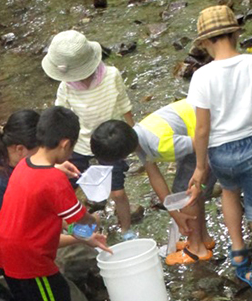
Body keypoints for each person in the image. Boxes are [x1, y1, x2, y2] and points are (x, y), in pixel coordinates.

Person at [186, 5, 252, 295]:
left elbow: (201, 129)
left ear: (205, 42)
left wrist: (200, 166)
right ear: (235, 33)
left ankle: (237, 249)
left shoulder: (201, 77)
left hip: (220, 152)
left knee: (229, 191)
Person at [0, 106, 112, 301]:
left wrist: (58, 167)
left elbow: (43, 182)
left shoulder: (26, 164)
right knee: (54, 300)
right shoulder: (54, 183)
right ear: (66, 144)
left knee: (53, 291)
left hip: (9, 245)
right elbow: (79, 220)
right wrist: (94, 223)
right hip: (27, 255)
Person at [0, 110, 95, 301]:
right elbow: (29, 240)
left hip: (31, 235)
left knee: (86, 249)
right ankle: (15, 291)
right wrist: (80, 235)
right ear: (20, 149)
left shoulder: (19, 166)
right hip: (13, 255)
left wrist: (53, 167)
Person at [90, 101, 217, 265]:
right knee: (186, 190)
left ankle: (196, 248)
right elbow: (154, 175)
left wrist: (201, 179)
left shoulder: (161, 145)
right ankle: (203, 239)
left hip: (213, 134)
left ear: (122, 156)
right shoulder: (137, 136)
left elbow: (205, 143)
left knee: (185, 191)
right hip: (196, 132)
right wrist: (174, 213)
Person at [42, 30, 136, 241]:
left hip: (110, 143)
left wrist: (134, 138)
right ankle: (80, 228)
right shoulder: (66, 87)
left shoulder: (111, 76)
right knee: (66, 188)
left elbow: (124, 105)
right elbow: (61, 118)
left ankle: (126, 229)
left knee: (118, 192)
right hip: (79, 146)